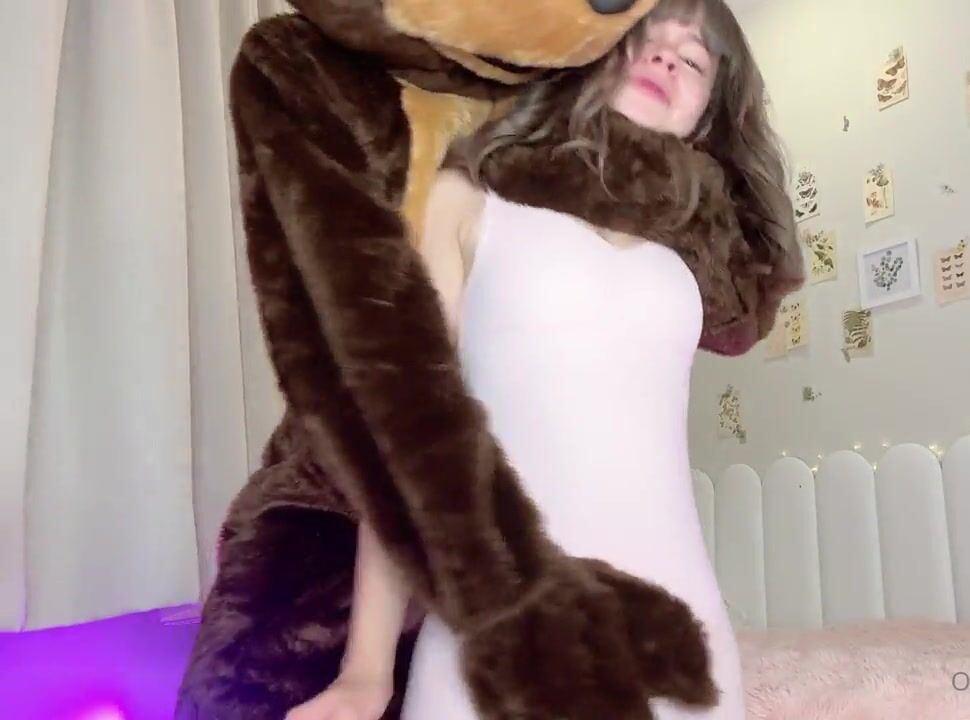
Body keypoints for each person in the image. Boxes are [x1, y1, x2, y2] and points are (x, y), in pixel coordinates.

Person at [286, 0, 794, 717]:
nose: (666, 56)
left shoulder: (688, 259)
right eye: (646, 36)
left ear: (708, 116)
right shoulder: (467, 203)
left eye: (696, 58)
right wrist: (366, 672)